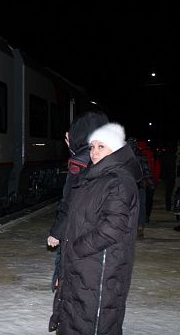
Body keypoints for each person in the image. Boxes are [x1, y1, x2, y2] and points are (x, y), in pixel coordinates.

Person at [49, 123, 141, 334]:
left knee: (93, 322)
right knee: (75, 317)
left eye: (101, 146)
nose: (94, 152)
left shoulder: (118, 182)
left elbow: (112, 227)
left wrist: (76, 249)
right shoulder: (95, 177)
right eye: (92, 147)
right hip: (85, 265)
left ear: (116, 149)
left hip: (100, 268)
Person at [47, 110, 109, 290]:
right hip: (99, 230)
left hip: (78, 229)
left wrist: (56, 232)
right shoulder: (107, 157)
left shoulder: (79, 161)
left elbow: (70, 201)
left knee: (67, 277)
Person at [127, 137, 153, 238]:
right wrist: (151, 184)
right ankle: (140, 228)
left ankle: (129, 227)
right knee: (141, 207)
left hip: (127, 186)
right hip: (140, 185)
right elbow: (147, 171)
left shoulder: (123, 157)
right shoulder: (142, 156)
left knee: (127, 207)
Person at [138, 140, 160, 222]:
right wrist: (156, 180)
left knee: (142, 200)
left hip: (142, 181)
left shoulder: (139, 155)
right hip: (152, 181)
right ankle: (147, 216)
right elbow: (157, 168)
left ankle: (142, 217)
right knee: (149, 200)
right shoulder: (153, 154)